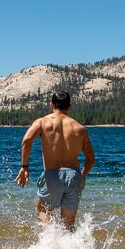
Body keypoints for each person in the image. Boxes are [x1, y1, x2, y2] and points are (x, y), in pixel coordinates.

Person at [15, 91, 95, 230]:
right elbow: (90, 159)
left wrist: (24, 167)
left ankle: (50, 239)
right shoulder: (80, 128)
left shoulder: (42, 122)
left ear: (51, 104)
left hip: (52, 174)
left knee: (42, 210)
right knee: (68, 225)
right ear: (69, 107)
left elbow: (26, 140)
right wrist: (83, 175)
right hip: (74, 176)